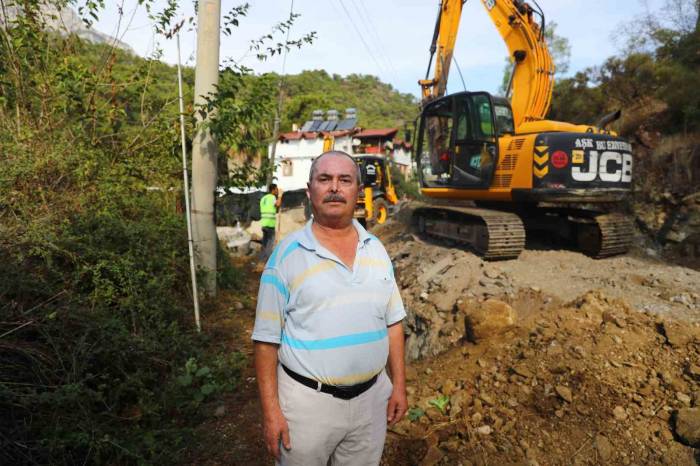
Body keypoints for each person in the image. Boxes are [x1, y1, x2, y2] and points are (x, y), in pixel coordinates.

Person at [252, 150, 408, 466]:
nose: (334, 187)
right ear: (311, 192)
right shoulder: (286, 256)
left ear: (357, 190)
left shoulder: (376, 250)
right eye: (324, 179)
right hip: (308, 408)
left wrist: (399, 387)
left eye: (344, 180)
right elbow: (266, 341)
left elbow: (393, 323)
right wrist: (271, 413)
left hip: (371, 402)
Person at [259, 184, 282, 261]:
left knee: (264, 243)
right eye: (276, 189)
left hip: (264, 224)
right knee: (270, 244)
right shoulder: (272, 197)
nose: (277, 191)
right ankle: (269, 261)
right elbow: (278, 204)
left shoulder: (263, 198)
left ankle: (261, 260)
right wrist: (280, 196)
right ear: (273, 190)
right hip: (270, 224)